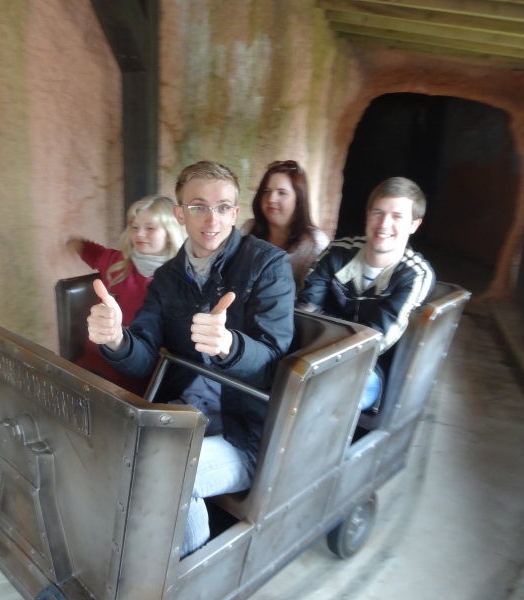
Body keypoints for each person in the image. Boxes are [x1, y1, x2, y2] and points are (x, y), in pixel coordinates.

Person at [87, 161, 295, 556]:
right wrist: (116, 339)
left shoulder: (267, 265)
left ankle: (191, 576)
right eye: (199, 207)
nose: (211, 219)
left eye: (223, 207)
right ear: (181, 214)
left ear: (235, 213)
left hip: (245, 430)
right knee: (107, 454)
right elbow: (143, 357)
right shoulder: (168, 278)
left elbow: (273, 359)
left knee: (171, 476)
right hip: (186, 410)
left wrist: (229, 345)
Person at [297, 177, 435, 412]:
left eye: (397, 217)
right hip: (314, 351)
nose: (384, 224)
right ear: (368, 215)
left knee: (330, 395)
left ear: (414, 225)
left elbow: (377, 340)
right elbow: (306, 312)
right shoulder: (338, 252)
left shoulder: (414, 274)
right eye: (378, 213)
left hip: (370, 367)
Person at [65, 195, 185, 395]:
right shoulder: (116, 262)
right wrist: (76, 243)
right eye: (134, 227)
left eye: (150, 228)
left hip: (142, 386)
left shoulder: (179, 282)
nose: (140, 234)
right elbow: (95, 253)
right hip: (91, 370)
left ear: (170, 234)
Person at [240, 160, 330, 291]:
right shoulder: (248, 228)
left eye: (282, 193)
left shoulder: (314, 243)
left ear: (299, 199)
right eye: (266, 191)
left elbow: (313, 296)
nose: (271, 199)